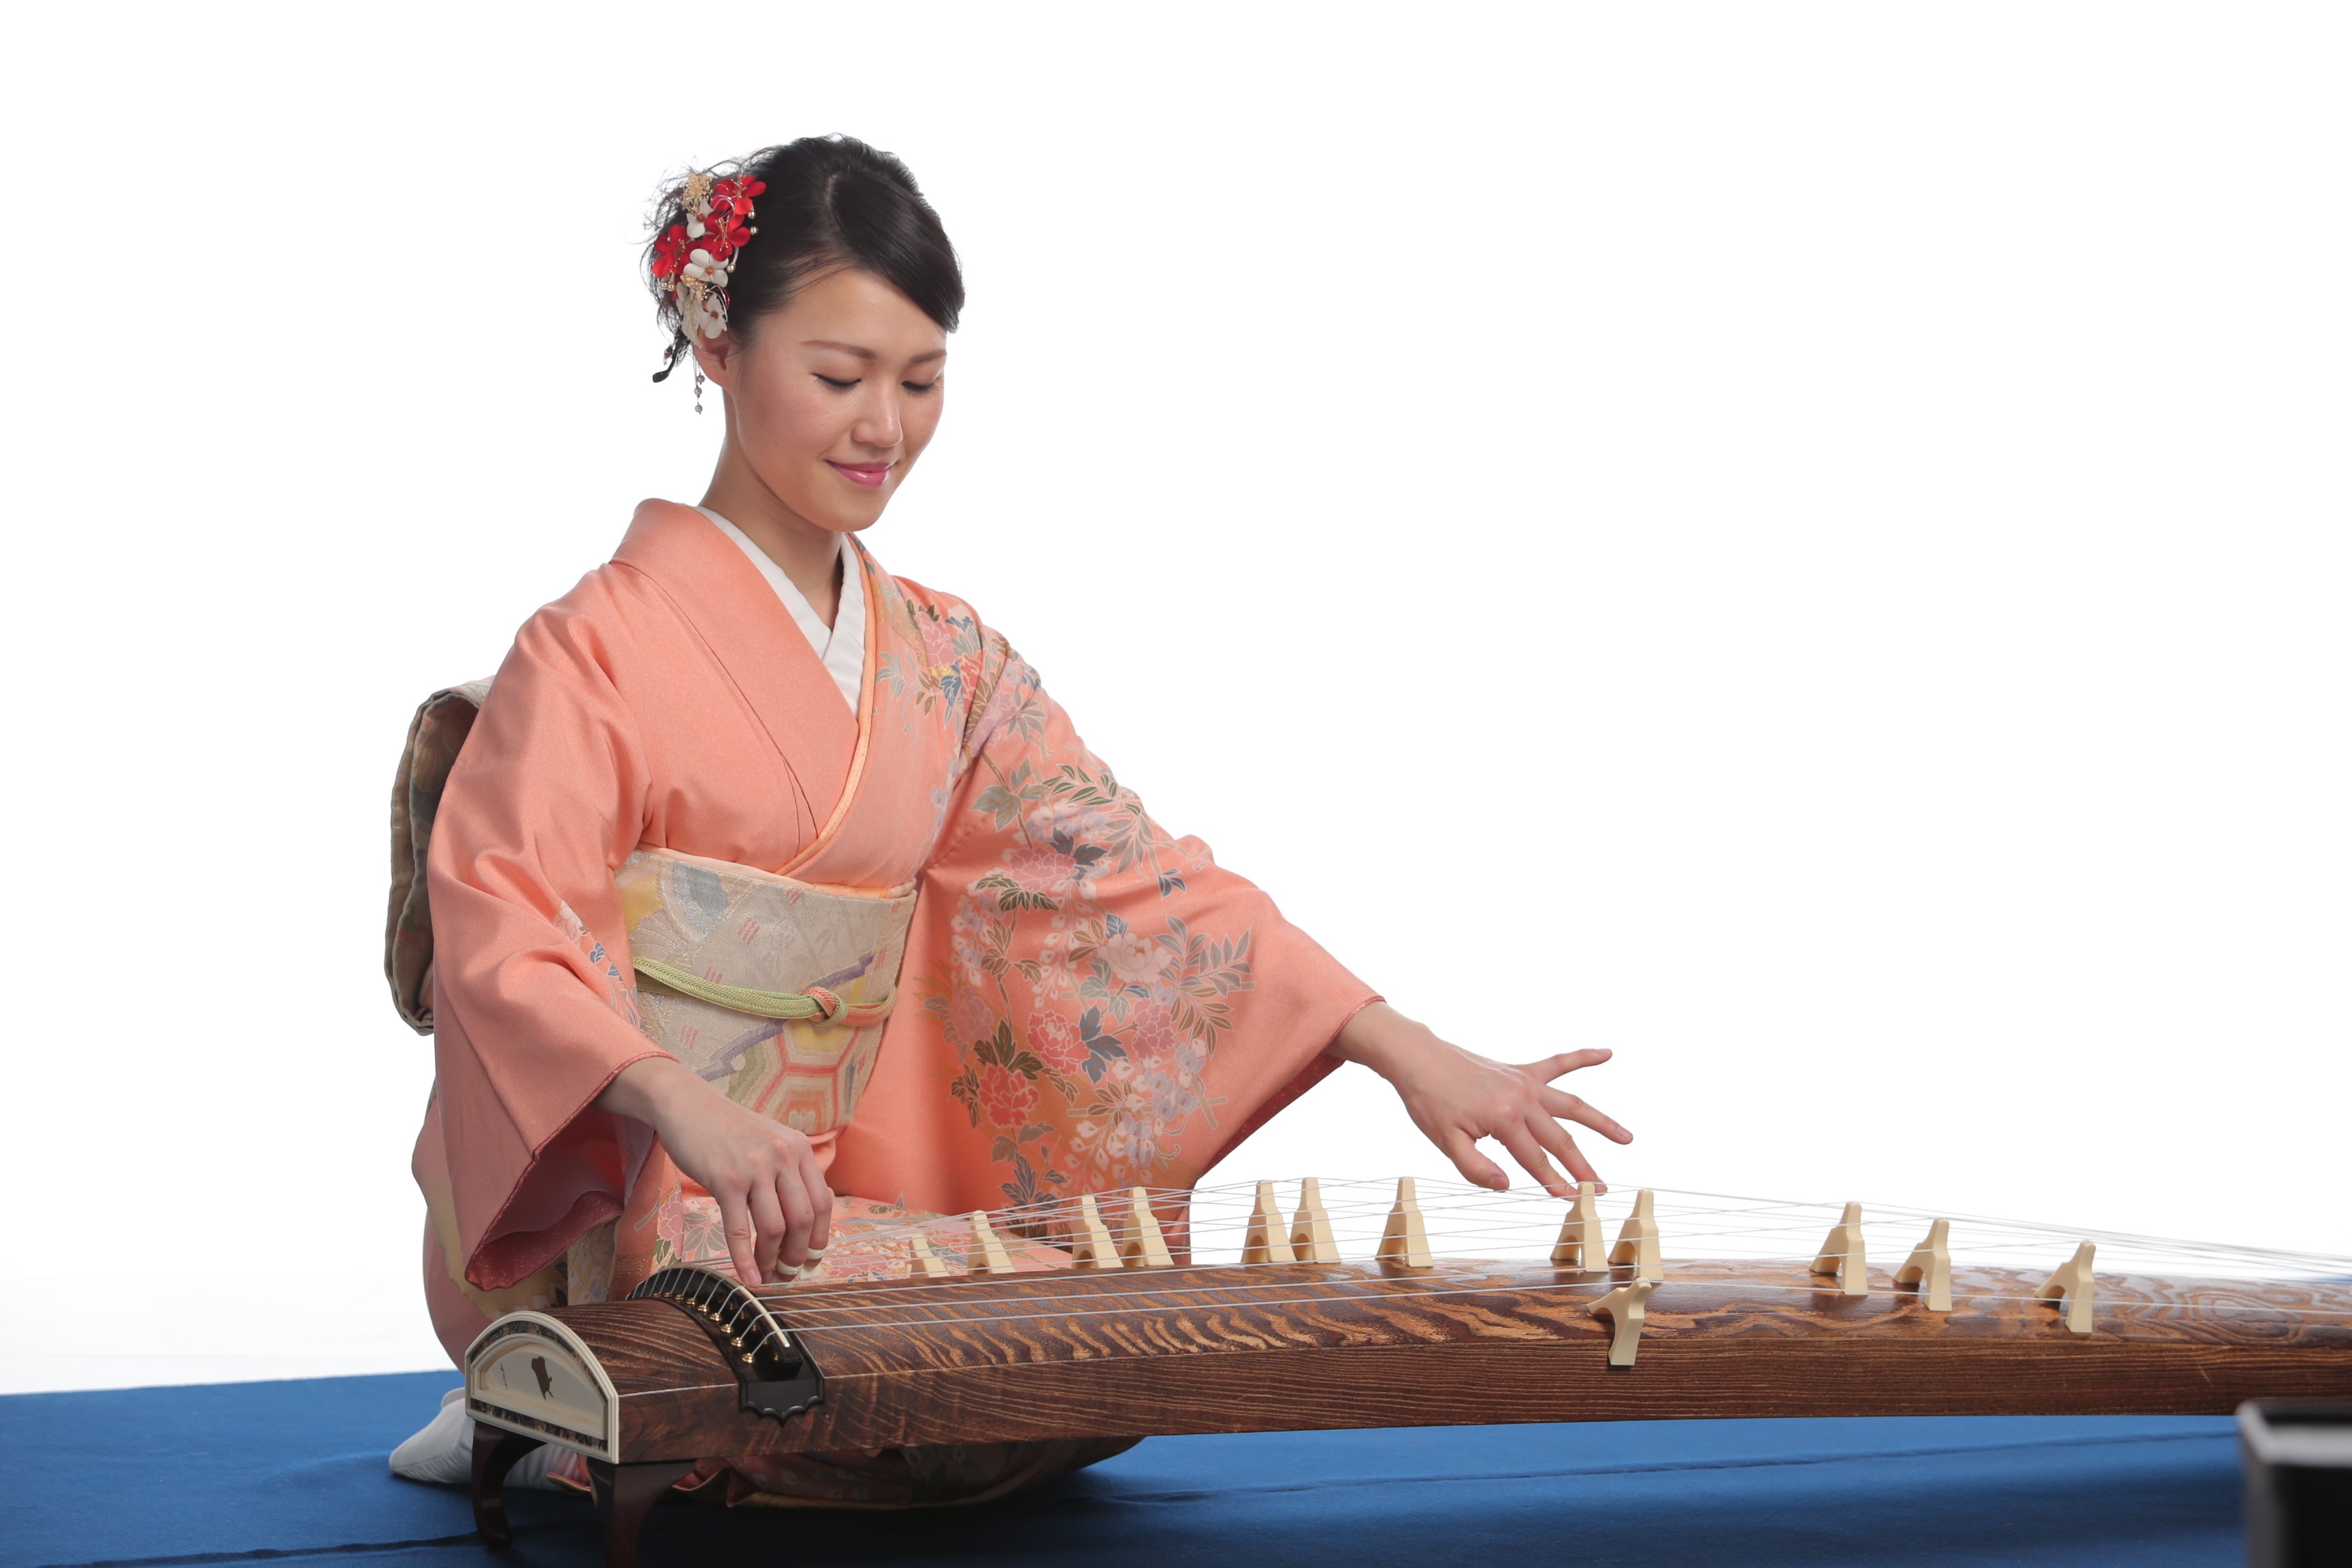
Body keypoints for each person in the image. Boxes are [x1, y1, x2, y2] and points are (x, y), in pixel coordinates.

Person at [388, 135, 1631, 1506]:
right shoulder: (589, 655)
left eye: (920, 381)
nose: (885, 427)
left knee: (1093, 1349)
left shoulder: (947, 664)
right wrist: (686, 1108)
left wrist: (1401, 1049)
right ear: (721, 345)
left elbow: (1130, 884)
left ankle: (623, 1424)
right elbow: (506, 935)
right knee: (898, 1379)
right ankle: (548, 1383)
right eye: (841, 377)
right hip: (637, 1205)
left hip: (817, 1207)